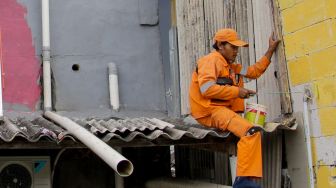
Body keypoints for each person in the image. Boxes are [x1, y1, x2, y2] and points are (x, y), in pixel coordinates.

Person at [189, 28, 280, 187]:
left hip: (223, 111)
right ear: (220, 45)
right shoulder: (210, 60)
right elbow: (206, 89)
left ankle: (247, 181)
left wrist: (270, 49)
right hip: (210, 111)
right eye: (233, 47)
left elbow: (254, 71)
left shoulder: (231, 66)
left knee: (252, 132)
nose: (236, 51)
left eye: (237, 48)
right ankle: (243, 183)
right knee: (250, 132)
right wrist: (238, 91)